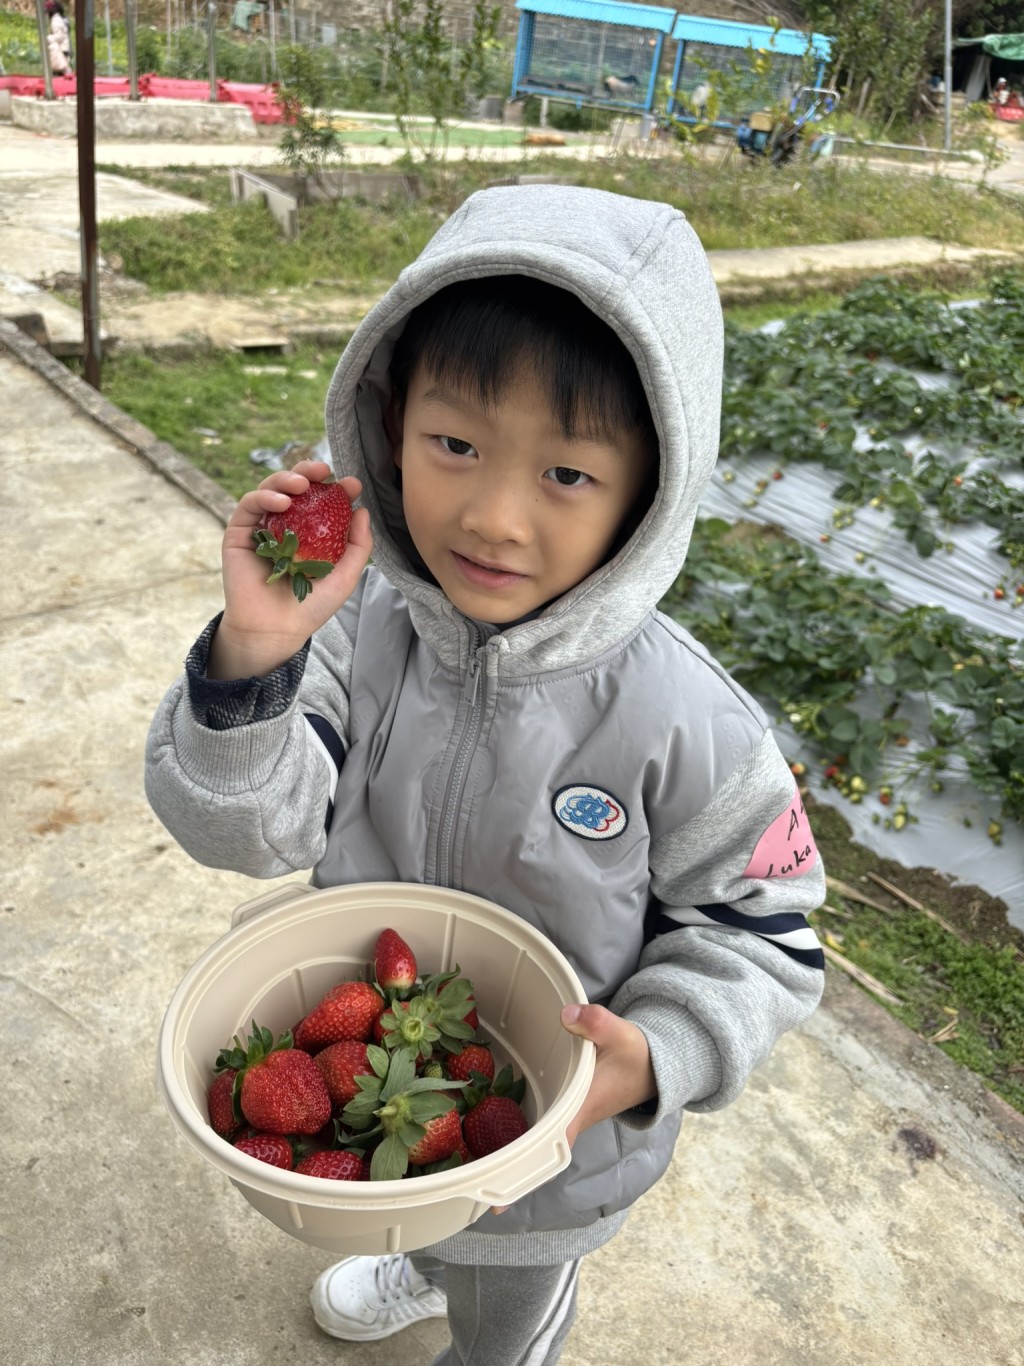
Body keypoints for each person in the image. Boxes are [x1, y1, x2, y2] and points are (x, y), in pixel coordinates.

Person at [146, 184, 826, 1364]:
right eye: (453, 444)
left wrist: (658, 1053)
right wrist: (255, 656)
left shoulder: (695, 726)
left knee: (504, 1311)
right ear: (388, 421)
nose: (496, 517)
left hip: (557, 1147)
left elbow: (764, 935)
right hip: (395, 1094)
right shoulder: (353, 634)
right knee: (420, 1185)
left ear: (649, 493)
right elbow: (245, 830)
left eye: (567, 474)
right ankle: (415, 1257)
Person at [45, 0, 72, 76]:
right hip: (64, 48)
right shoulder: (60, 19)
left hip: (61, 50)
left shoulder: (56, 21)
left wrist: (47, 39)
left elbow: (59, 36)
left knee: (61, 69)